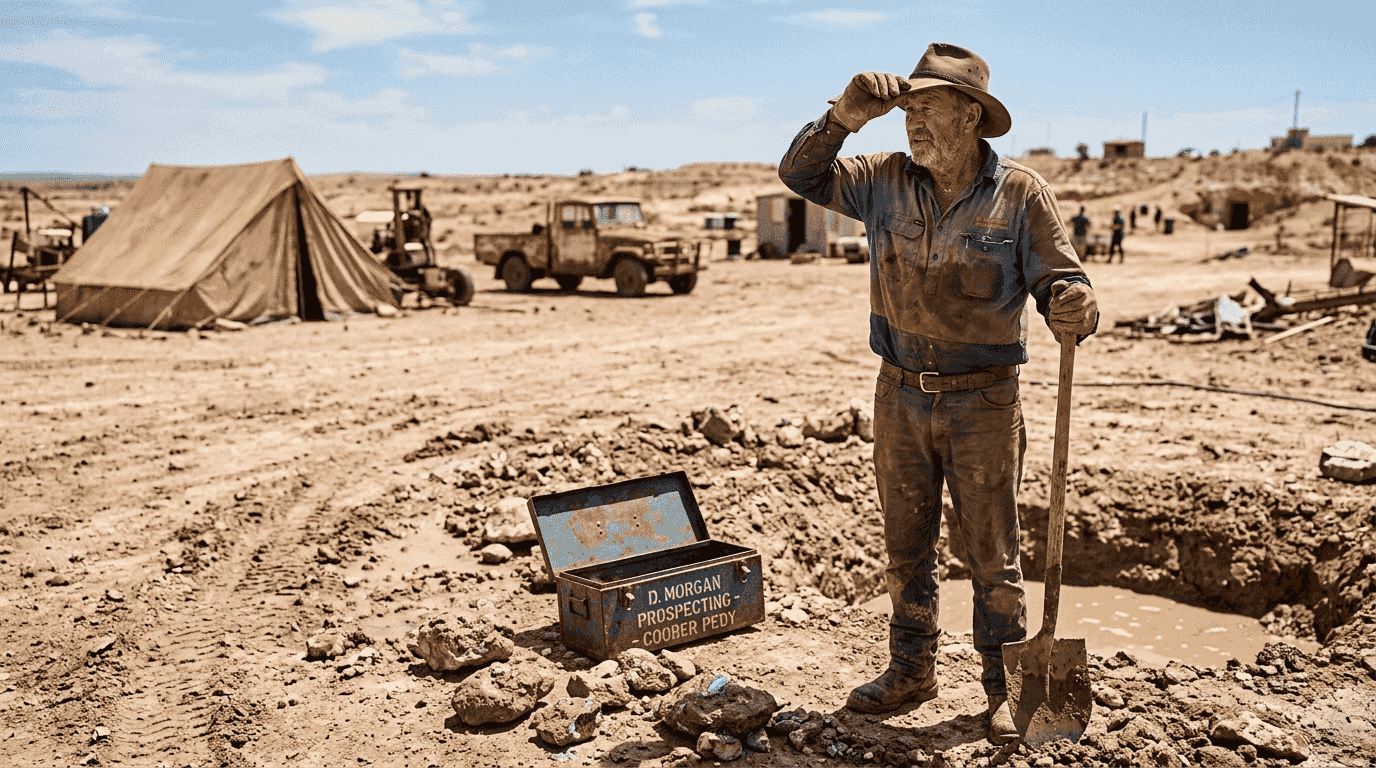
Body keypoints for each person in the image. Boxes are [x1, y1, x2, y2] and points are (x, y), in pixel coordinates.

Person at [777, 43, 1098, 745]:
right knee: (906, 545)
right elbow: (799, 174)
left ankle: (1005, 690)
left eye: (929, 110)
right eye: (907, 111)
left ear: (972, 117)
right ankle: (910, 670)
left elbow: (1062, 281)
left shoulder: (1020, 193)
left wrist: (1074, 303)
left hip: (983, 403)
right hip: (899, 397)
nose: (912, 124)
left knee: (992, 556)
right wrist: (844, 115)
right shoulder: (882, 179)